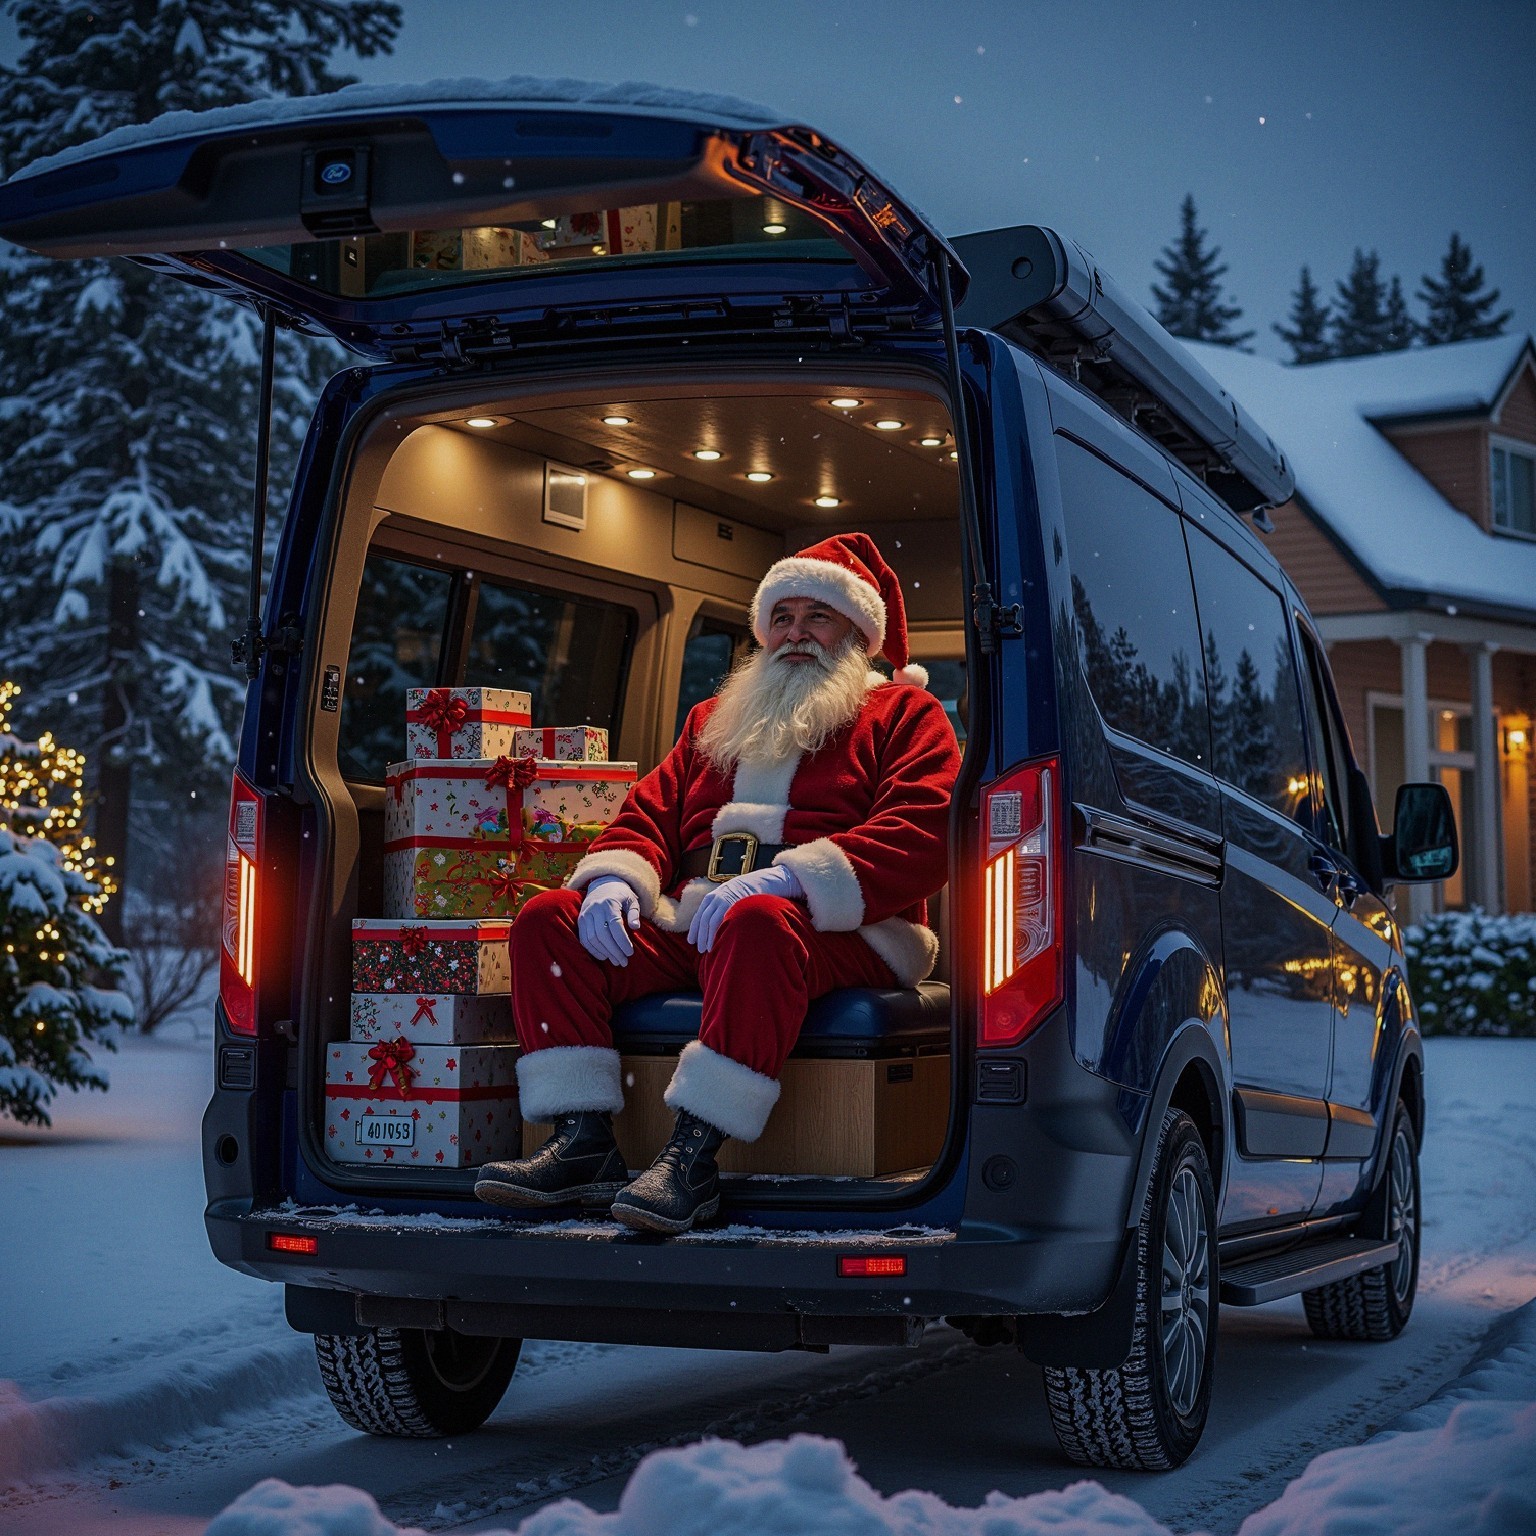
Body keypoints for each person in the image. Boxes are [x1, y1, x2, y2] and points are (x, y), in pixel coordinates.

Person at [474, 532, 961, 1232]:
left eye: (817, 617)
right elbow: (648, 812)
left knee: (757, 923)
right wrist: (615, 879)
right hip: (705, 922)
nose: (796, 634)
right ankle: (581, 1140)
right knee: (549, 919)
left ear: (856, 630)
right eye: (782, 618)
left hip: (847, 931)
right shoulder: (714, 720)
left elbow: (925, 829)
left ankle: (692, 1159)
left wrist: (788, 881)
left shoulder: (905, 717)